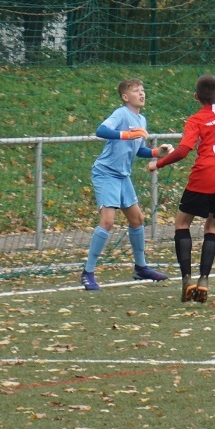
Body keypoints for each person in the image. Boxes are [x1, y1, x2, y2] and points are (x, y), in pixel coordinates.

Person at [147, 75, 215, 303]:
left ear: (196, 97)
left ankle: (187, 279)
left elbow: (183, 150)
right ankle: (204, 280)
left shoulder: (196, 120)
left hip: (202, 177)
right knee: (212, 227)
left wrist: (158, 164)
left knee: (182, 223)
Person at [80, 78, 169, 291]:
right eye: (136, 90)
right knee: (107, 221)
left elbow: (138, 150)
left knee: (137, 219)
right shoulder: (121, 114)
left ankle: (141, 267)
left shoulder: (142, 120)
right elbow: (101, 131)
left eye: (143, 90)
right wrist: (127, 134)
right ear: (125, 97)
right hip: (106, 173)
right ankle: (87, 272)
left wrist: (157, 153)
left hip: (122, 176)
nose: (142, 93)